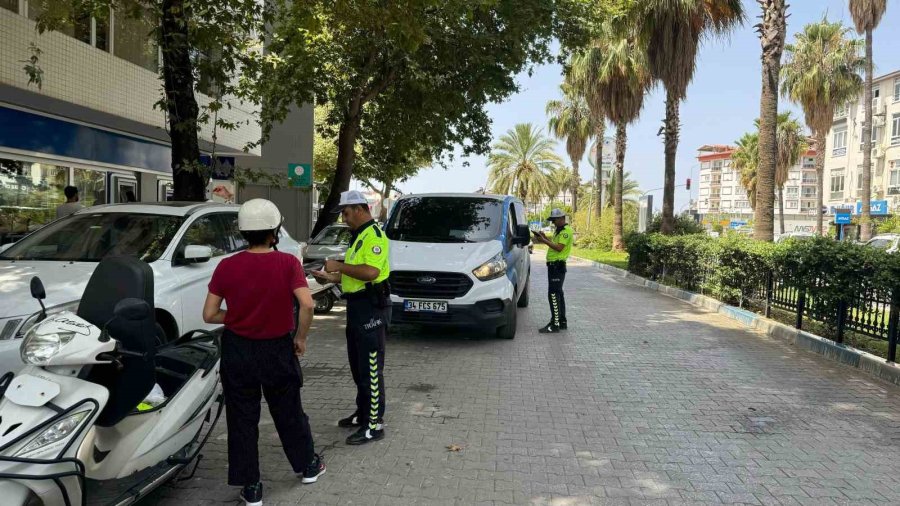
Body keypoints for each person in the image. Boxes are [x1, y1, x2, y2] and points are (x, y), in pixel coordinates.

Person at [203, 199, 325, 506]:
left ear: (244, 233)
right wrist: (301, 338)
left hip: (238, 352)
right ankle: (309, 466)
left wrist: (239, 317)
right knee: (288, 412)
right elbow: (308, 304)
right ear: (274, 232)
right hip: (277, 350)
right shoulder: (287, 263)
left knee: (242, 419)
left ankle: (252, 487)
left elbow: (209, 314)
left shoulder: (227, 266)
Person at [312, 190, 390, 446]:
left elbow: (370, 272)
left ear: (359, 209)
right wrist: (330, 277)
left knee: (370, 368)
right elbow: (353, 276)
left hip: (371, 308)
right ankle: (363, 413)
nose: (344, 219)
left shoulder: (375, 236)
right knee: (358, 367)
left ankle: (374, 425)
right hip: (357, 307)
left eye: (346, 213)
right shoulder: (359, 237)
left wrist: (339, 266)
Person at [531, 209, 573, 334]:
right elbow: (554, 245)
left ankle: (554, 324)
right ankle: (562, 321)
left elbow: (559, 248)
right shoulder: (559, 231)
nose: (553, 223)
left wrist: (543, 240)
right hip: (555, 266)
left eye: (554, 220)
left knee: (553, 295)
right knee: (559, 294)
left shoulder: (566, 232)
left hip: (557, 266)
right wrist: (544, 238)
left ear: (561, 218)